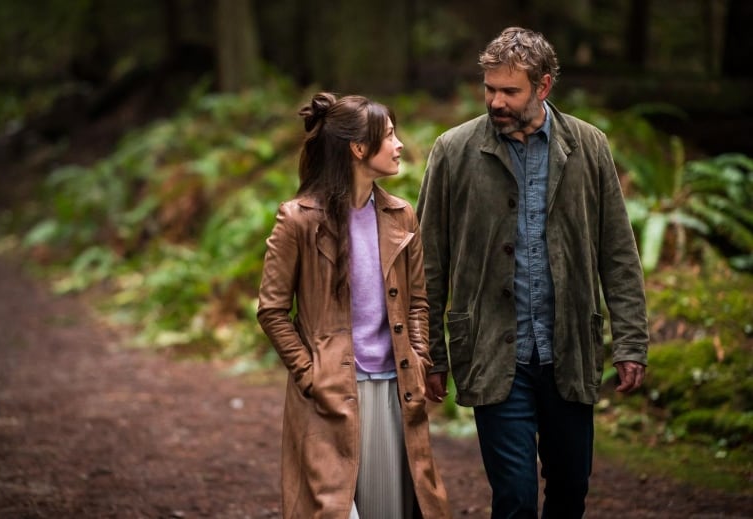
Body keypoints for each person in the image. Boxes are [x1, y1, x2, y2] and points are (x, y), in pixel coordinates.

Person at [416, 27, 649, 519]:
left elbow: (619, 254)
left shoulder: (589, 147)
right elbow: (427, 262)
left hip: (569, 348)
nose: (495, 101)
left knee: (570, 490)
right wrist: (430, 353)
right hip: (493, 350)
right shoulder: (452, 151)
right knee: (516, 498)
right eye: (489, 89)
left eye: (510, 91)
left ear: (543, 87)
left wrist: (630, 342)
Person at [257, 92, 452, 519]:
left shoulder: (402, 216)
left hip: (393, 387)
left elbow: (418, 300)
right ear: (358, 149)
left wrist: (419, 358)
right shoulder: (298, 219)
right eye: (390, 136)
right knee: (331, 509)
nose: (400, 145)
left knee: (388, 510)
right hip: (329, 395)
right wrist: (310, 375)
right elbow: (271, 310)